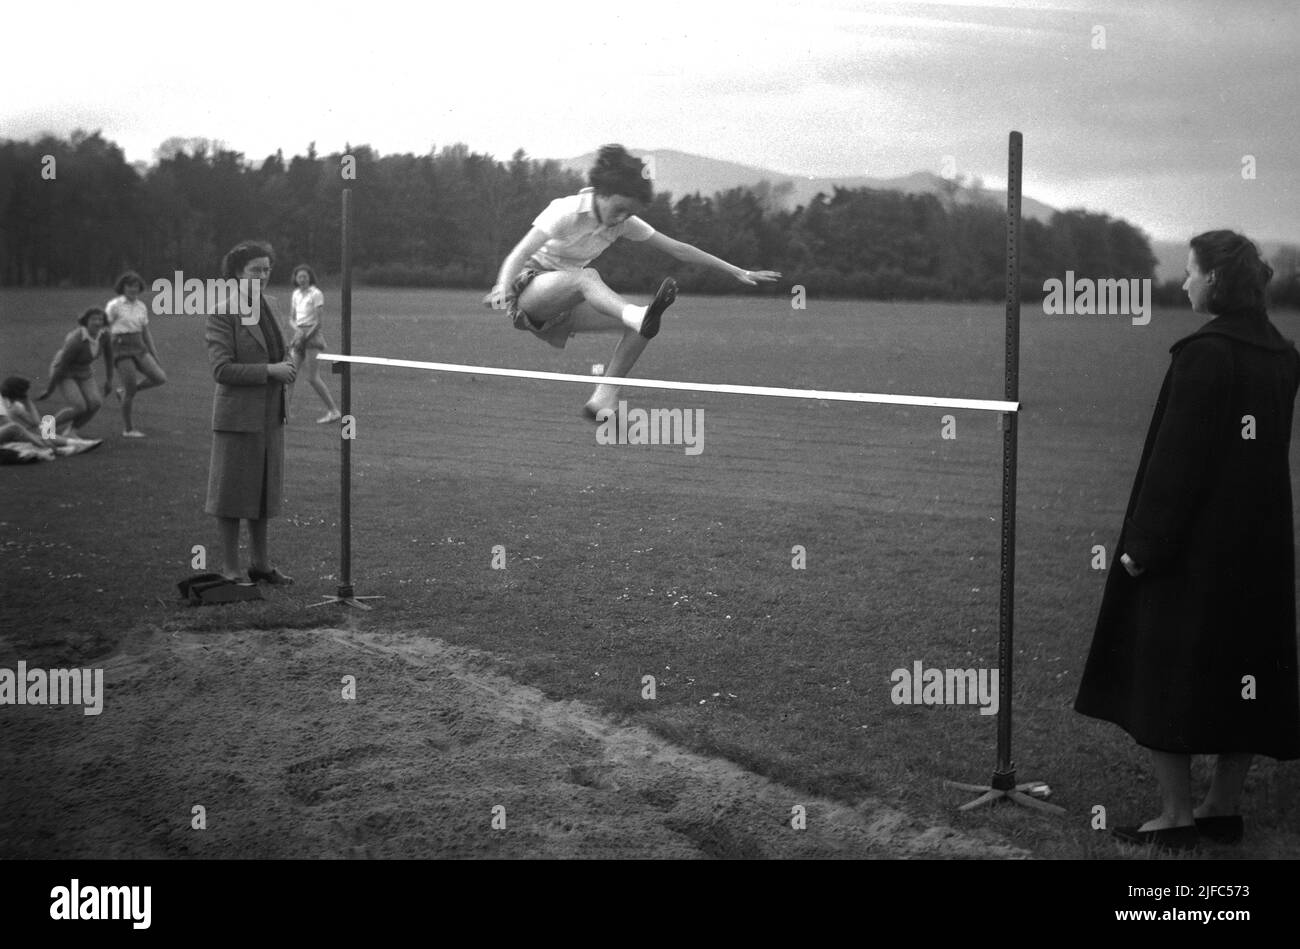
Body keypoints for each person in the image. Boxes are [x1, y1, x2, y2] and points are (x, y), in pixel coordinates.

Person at [1075, 230, 1300, 851]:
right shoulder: (1283, 354)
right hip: (1260, 545)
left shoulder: (1205, 354)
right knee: (1246, 666)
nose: (1184, 283)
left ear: (1218, 283)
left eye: (1192, 272)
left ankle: (1177, 817)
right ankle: (1221, 806)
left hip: (1195, 549)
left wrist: (1143, 545)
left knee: (1162, 666)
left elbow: (1179, 464)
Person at [488, 144, 781, 419]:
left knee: (642, 325)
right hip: (528, 289)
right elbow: (520, 253)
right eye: (619, 208)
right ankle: (637, 316)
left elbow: (679, 249)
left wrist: (737, 270)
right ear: (601, 194)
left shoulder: (624, 223)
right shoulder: (565, 211)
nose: (623, 217)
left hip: (565, 302)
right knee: (589, 279)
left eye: (629, 212)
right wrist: (502, 288)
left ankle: (603, 397)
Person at [203, 241, 297, 584]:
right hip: (238, 416)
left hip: (271, 414)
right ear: (237, 274)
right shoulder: (223, 311)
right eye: (255, 269)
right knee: (231, 493)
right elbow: (222, 370)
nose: (263, 275)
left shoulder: (270, 304)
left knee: (263, 490)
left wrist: (287, 365)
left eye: (267, 269)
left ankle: (261, 564)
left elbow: (279, 352)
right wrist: (270, 371)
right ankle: (230, 568)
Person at [35, 307, 115, 437]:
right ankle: (45, 429)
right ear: (85, 321)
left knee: (95, 403)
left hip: (83, 369)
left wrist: (109, 380)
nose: (97, 322)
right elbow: (62, 366)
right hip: (64, 371)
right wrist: (49, 390)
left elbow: (109, 357)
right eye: (93, 319)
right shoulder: (76, 341)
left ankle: (71, 431)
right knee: (80, 406)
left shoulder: (104, 335)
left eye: (100, 319)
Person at [105, 270, 167, 437]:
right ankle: (128, 429)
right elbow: (105, 328)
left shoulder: (141, 306)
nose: (132, 289)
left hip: (138, 346)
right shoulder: (114, 305)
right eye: (129, 286)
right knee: (130, 388)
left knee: (159, 377)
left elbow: (146, 332)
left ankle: (123, 392)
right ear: (122, 287)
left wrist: (154, 354)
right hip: (121, 348)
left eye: (135, 286)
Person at [287, 264, 341, 423]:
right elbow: (291, 318)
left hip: (312, 336)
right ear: (296, 279)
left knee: (312, 377)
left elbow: (318, 322)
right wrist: (297, 331)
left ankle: (333, 411)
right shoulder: (295, 293)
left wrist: (305, 336)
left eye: (305, 276)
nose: (302, 279)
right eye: (299, 276)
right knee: (289, 376)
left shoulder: (316, 294)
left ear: (310, 277)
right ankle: (284, 413)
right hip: (299, 335)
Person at [0, 376, 101, 459]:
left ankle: (75, 443)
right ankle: (56, 450)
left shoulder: (15, 405)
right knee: (15, 428)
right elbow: (9, 427)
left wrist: (28, 402)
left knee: (36, 430)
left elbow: (36, 422)